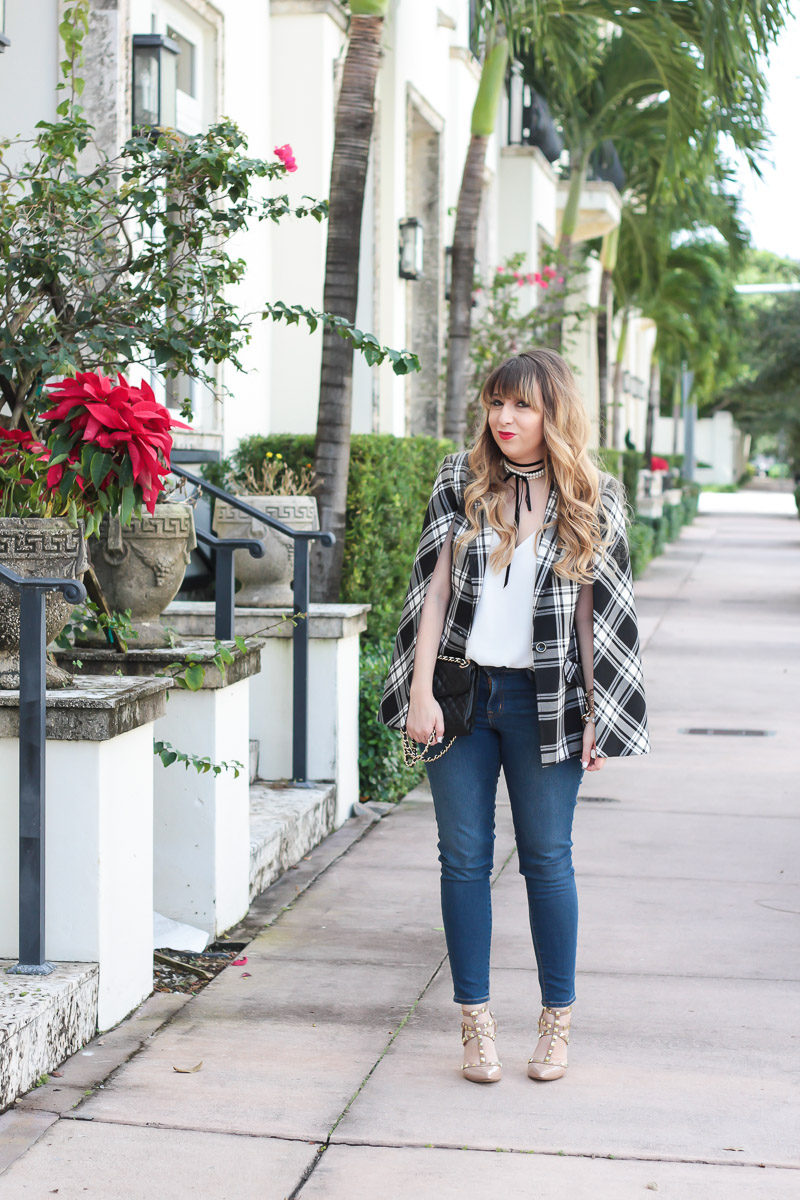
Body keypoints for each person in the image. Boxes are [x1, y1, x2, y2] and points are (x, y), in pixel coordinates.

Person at [377, 349, 649, 1085]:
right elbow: (430, 592)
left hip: (547, 701)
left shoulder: (593, 494)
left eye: (521, 406)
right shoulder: (458, 482)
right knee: (462, 860)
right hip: (464, 697)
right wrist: (421, 691)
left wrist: (600, 713)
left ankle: (556, 1024)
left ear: (553, 412)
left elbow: (598, 618)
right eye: (496, 403)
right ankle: (476, 1025)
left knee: (546, 859)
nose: (503, 419)